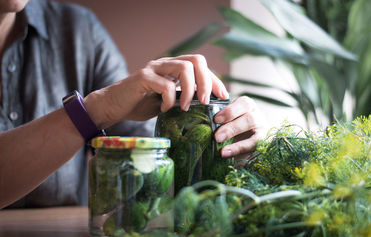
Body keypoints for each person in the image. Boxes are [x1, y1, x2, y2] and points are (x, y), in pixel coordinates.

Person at [0, 0, 266, 209]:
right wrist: (94, 110)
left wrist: (226, 145)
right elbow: (105, 107)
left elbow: (150, 164)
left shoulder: (80, 30)